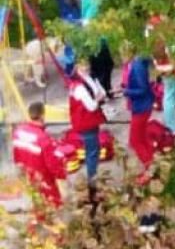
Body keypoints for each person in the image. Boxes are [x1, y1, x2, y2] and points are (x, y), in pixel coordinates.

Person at [63, 54, 109, 185]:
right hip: (85, 122)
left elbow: (102, 91)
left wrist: (99, 96)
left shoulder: (88, 77)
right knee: (92, 152)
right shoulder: (78, 86)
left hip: (90, 120)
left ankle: (93, 177)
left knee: (94, 149)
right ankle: (92, 181)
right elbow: (92, 106)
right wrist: (98, 98)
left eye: (87, 64)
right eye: (84, 65)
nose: (87, 66)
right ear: (77, 66)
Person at [12, 102, 65, 209]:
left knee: (36, 201)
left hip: (28, 175)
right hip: (43, 178)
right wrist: (62, 174)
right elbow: (51, 163)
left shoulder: (18, 131)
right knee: (54, 204)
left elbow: (17, 154)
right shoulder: (43, 138)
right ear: (42, 115)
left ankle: (37, 222)